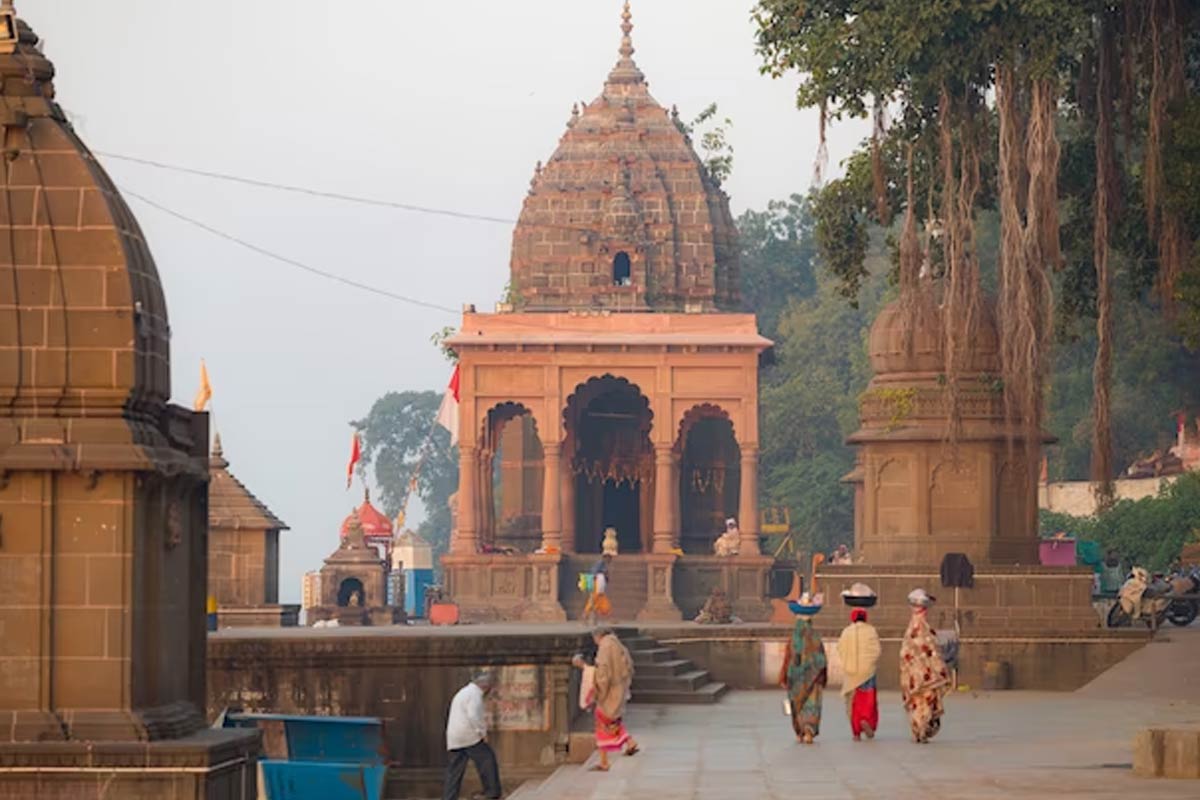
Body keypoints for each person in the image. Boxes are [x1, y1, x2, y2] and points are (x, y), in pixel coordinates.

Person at [572, 626, 639, 771]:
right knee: (612, 720)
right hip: (619, 688)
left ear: (598, 636)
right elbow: (629, 666)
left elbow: (603, 674)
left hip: (610, 690)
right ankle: (630, 742)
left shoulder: (605, 647)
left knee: (602, 720)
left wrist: (583, 666)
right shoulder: (617, 643)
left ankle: (604, 762)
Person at [900, 588, 951, 744]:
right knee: (924, 701)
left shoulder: (913, 627)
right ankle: (921, 729)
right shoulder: (921, 627)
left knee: (918, 703)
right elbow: (929, 650)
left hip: (915, 674)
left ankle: (919, 730)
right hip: (923, 673)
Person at [443, 672, 501, 800]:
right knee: (487, 759)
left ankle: (449, 797)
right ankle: (492, 792)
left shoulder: (464, 692)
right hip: (469, 735)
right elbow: (474, 715)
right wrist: (482, 732)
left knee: (455, 769)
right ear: (485, 686)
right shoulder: (474, 695)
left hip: (455, 737)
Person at [778, 595, 827, 744]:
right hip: (814, 677)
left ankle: (800, 731)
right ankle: (809, 730)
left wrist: (784, 675)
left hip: (796, 678)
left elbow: (788, 658)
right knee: (812, 703)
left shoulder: (794, 638)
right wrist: (821, 675)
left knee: (797, 703)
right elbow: (821, 659)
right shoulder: (815, 637)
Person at [837, 608, 881, 741]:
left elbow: (840, 649)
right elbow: (877, 651)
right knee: (868, 700)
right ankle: (867, 721)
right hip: (868, 672)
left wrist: (849, 663)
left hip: (851, 673)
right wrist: (869, 664)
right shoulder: (871, 631)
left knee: (853, 702)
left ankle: (856, 732)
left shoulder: (846, 632)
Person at [583, 555, 613, 625]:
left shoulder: (603, 565)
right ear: (606, 558)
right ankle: (585, 616)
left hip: (600, 585)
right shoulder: (600, 563)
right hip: (596, 584)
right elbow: (593, 573)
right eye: (609, 558)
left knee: (600, 602)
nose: (610, 560)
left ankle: (594, 620)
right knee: (593, 601)